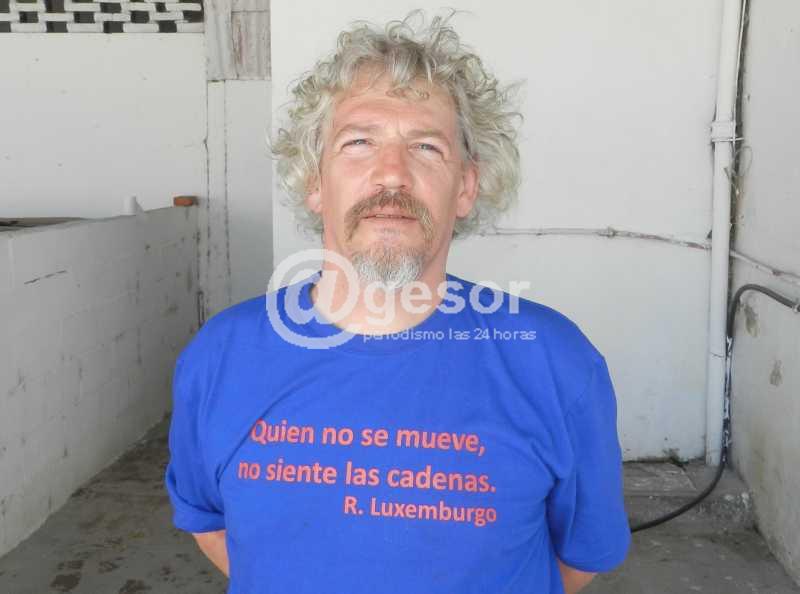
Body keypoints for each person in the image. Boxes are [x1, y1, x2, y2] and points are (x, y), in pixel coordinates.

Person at [165, 11, 630, 594]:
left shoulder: (555, 361)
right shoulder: (220, 356)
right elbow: (210, 524)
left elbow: (578, 560)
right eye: (359, 142)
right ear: (315, 182)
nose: (392, 175)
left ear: (466, 186)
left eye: (427, 147)